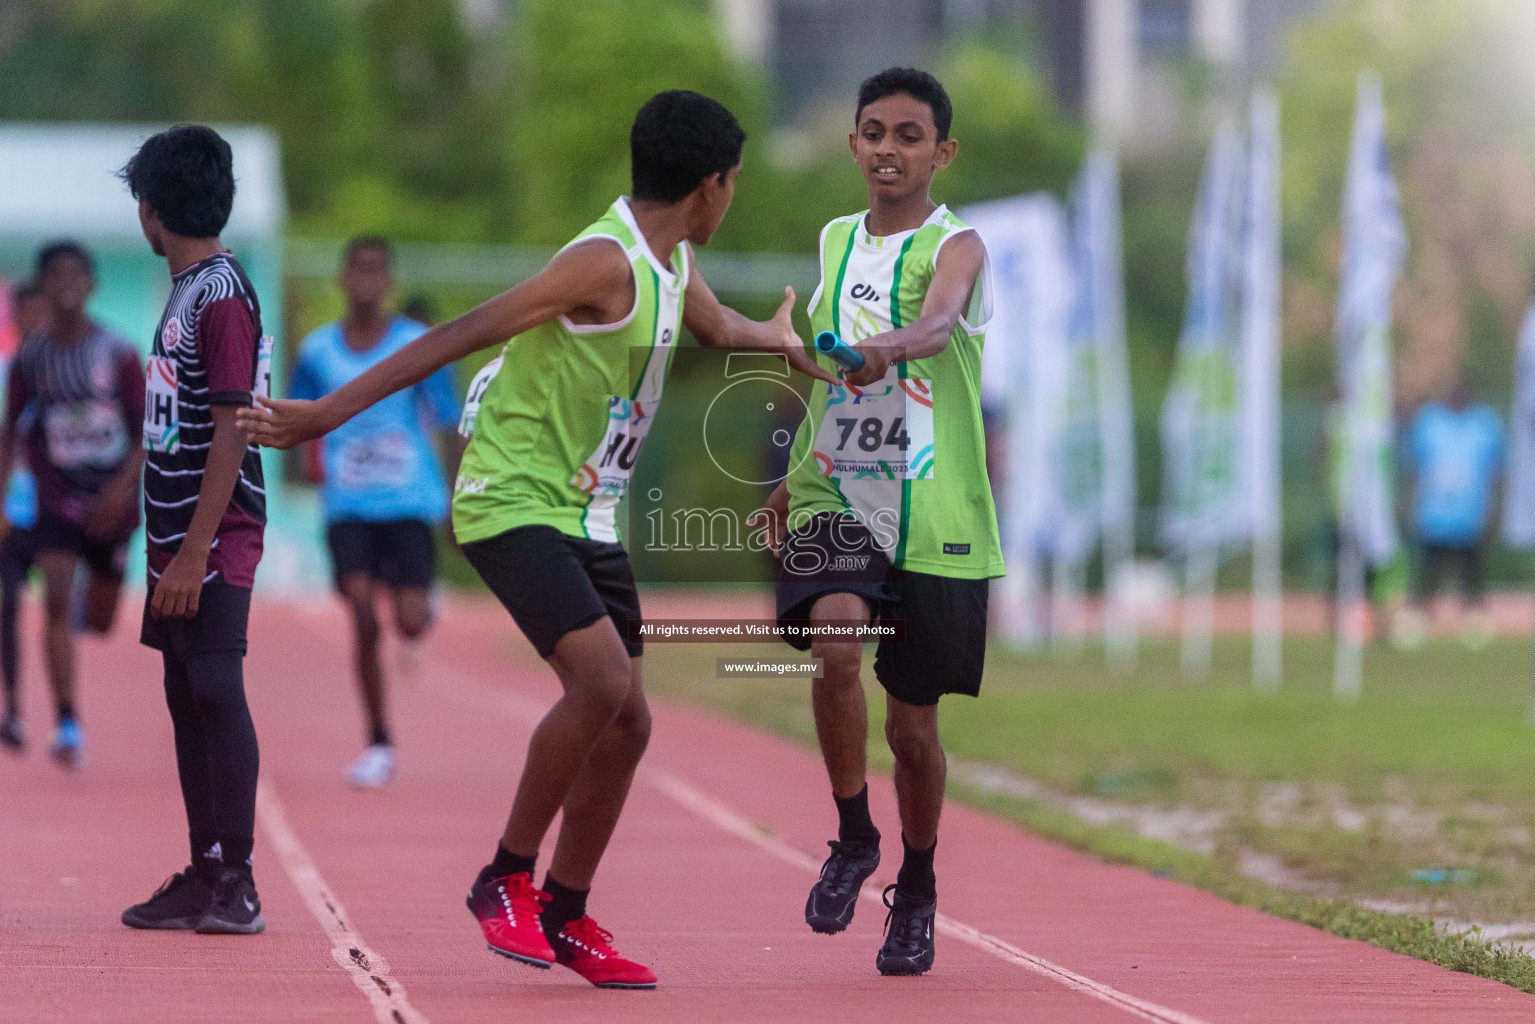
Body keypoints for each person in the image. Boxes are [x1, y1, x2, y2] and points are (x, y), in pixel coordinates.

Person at [240, 90, 835, 989]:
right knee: (599, 682)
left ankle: (565, 909)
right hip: (509, 496)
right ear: (713, 186)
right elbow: (456, 334)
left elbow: (710, 325)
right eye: (735, 184)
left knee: (628, 722)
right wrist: (322, 415)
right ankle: (503, 878)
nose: (732, 199)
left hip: (584, 511)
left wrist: (772, 337)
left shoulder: (671, 263)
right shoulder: (604, 261)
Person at [755, 68, 1002, 977]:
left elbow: (937, 329)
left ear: (941, 152)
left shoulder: (959, 245)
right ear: (852, 145)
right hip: (835, 493)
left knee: (912, 730)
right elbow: (818, 379)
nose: (887, 149)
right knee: (835, 642)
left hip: (934, 505)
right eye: (872, 132)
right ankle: (854, 833)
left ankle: (919, 885)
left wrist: (876, 352)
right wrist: (792, 476)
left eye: (908, 134)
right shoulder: (830, 243)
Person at [117, 125, 270, 936]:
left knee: (215, 685)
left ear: (150, 211)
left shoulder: (220, 294)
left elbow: (233, 426)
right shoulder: (184, 292)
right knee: (183, 694)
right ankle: (204, 865)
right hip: (171, 532)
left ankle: (239, 880)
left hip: (214, 534)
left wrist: (196, 549)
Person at [289, 237, 460, 787]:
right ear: (342, 279)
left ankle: (420, 607)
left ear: (389, 282)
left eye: (376, 270)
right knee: (362, 617)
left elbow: (450, 420)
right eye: (356, 269)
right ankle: (379, 740)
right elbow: (299, 416)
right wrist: (304, 463)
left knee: (408, 620)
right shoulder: (317, 352)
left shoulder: (418, 344)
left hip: (410, 499)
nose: (365, 279)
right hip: (349, 505)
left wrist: (459, 497)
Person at [0, 244, 146, 768]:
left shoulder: (118, 353)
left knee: (101, 622)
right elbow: (10, 432)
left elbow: (146, 433)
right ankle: (67, 721)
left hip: (113, 502)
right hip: (57, 500)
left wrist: (121, 490)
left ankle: (93, 601)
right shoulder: (31, 358)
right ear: (43, 287)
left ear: (92, 287)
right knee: (56, 598)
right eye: (54, 278)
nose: (65, 287)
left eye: (75, 277)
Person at [1403, 376, 1506, 646]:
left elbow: (1497, 473)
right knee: (1428, 576)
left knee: (1472, 579)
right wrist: (1407, 506)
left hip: (1471, 518)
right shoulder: (1428, 422)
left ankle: (1473, 628)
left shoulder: (1486, 424)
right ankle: (1417, 625)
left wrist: (1495, 512)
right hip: (1433, 518)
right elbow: (1414, 468)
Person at [0, 280, 45, 751]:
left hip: (57, 512)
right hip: (13, 513)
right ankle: (12, 709)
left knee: (60, 603)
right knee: (8, 608)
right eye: (28, 315)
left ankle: (65, 712)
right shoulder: (6, 374)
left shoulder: (70, 373)